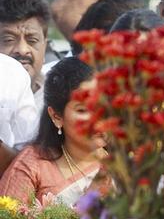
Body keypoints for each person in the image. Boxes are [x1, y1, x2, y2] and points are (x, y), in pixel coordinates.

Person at [0, 58, 108, 207]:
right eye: (82, 110)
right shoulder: (30, 168)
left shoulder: (123, 157)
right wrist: (86, 204)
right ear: (56, 116)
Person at [0, 0, 50, 105]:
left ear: (45, 45)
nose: (22, 50)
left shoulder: (63, 99)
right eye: (9, 40)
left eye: (32, 40)